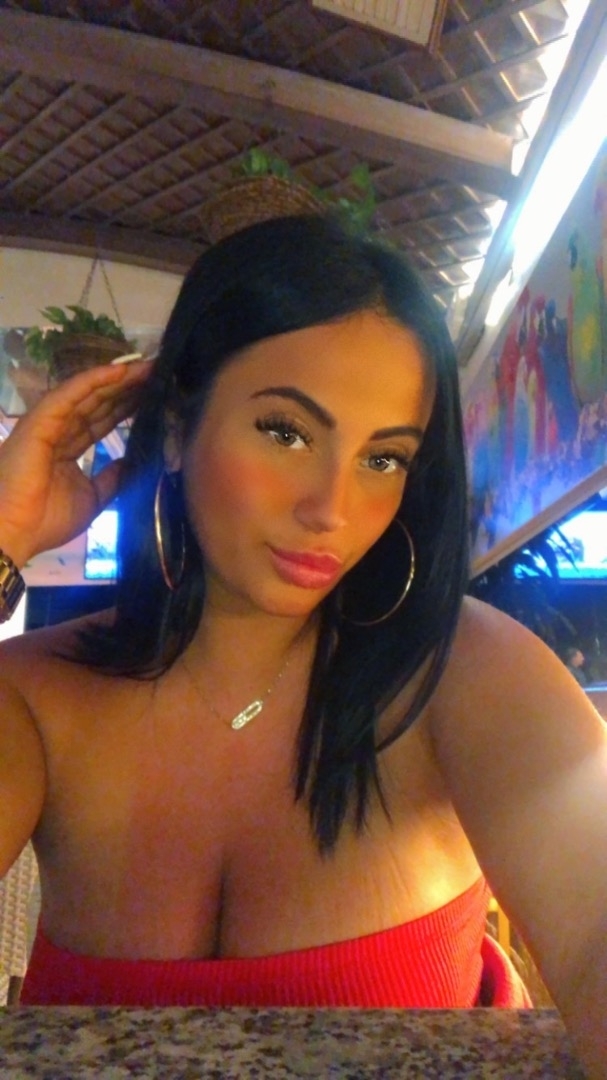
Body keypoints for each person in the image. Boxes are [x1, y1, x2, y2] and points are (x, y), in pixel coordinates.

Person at [0, 202, 605, 1079]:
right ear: (178, 426)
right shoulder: (36, 694)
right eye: (285, 432)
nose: (331, 507)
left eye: (382, 458)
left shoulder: (465, 674)